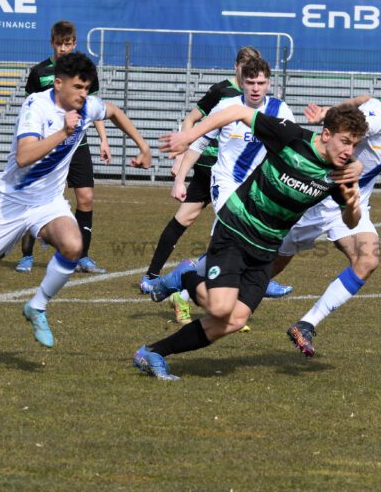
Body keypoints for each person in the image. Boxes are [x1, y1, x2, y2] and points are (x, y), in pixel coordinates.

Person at [0, 52, 152, 367]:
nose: (84, 94)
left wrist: (143, 146)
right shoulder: (36, 106)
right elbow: (24, 156)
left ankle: (37, 306)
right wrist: (64, 133)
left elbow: (113, 111)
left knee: (74, 245)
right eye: (78, 87)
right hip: (11, 203)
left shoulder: (86, 106)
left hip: (48, 203)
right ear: (58, 84)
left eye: (87, 88)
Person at [133, 103, 368, 380]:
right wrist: (189, 136)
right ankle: (184, 277)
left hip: (267, 249)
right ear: (327, 134)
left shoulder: (343, 173)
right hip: (236, 228)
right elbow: (238, 113)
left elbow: (351, 222)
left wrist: (352, 203)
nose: (349, 151)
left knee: (234, 320)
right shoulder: (291, 137)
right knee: (220, 307)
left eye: (354, 145)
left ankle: (153, 352)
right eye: (345, 142)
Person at [278, 70, 381, 357]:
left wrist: (328, 110)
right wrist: (352, 162)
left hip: (351, 206)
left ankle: (306, 323)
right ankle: (186, 282)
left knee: (368, 259)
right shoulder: (371, 122)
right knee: (267, 263)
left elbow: (362, 99)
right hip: (319, 201)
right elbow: (339, 144)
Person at [140, 47, 292, 303]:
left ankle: (181, 281)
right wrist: (180, 179)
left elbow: (291, 148)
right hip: (226, 183)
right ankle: (237, 294)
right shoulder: (226, 105)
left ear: (269, 83)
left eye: (261, 83)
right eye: (251, 82)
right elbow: (198, 143)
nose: (256, 88)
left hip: (258, 191)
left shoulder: (280, 110)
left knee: (233, 247)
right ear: (242, 82)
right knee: (235, 241)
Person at [15, 21, 111, 275]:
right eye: (59, 44)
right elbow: (30, 107)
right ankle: (27, 255)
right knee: (34, 197)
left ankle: (83, 256)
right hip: (48, 145)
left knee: (86, 198)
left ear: (74, 44)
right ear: (52, 43)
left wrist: (103, 139)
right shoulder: (39, 72)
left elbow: (96, 108)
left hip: (77, 143)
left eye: (68, 44)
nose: (63, 48)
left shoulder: (83, 71)